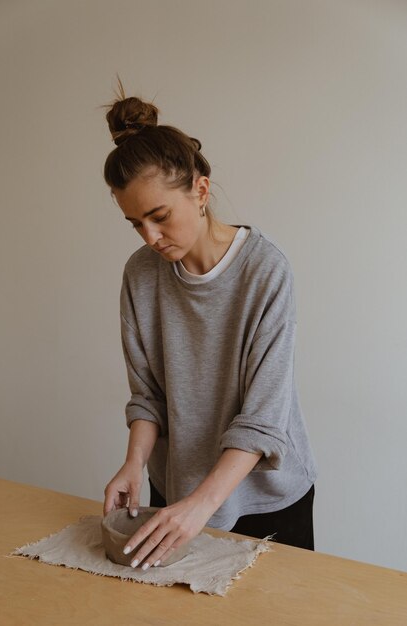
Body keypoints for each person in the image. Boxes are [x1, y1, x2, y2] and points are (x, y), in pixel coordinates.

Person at [102, 80, 317, 572]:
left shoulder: (265, 270)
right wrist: (134, 463)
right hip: (173, 492)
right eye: (135, 223)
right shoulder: (140, 275)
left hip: (266, 499)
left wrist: (203, 505)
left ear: (200, 190)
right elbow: (147, 395)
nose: (150, 237)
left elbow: (264, 419)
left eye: (159, 216)